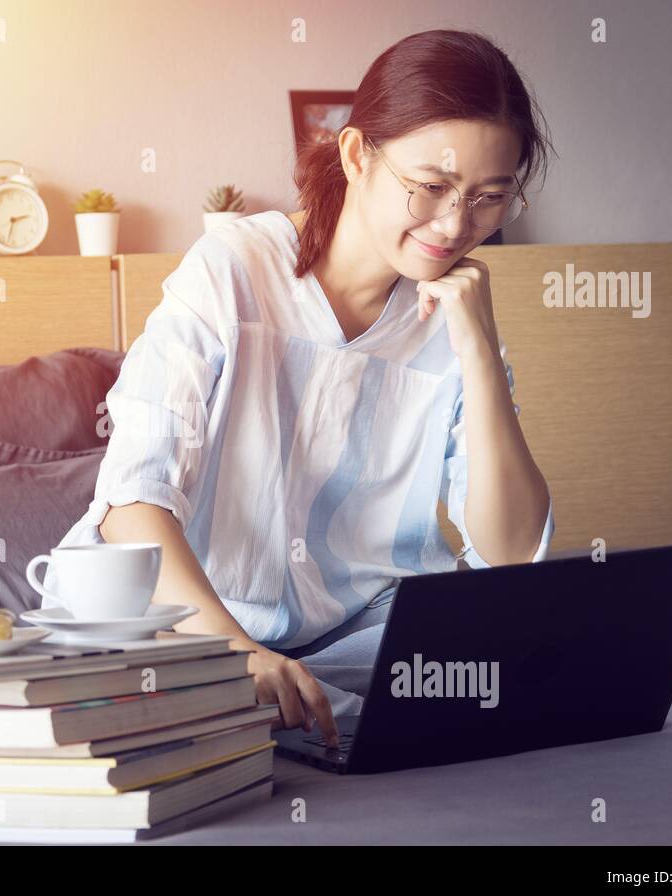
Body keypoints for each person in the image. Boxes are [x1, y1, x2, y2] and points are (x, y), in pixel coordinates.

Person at [48, 28, 557, 749]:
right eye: (431, 187)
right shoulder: (232, 270)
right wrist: (236, 653)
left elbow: (508, 556)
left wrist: (475, 348)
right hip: (181, 627)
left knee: (525, 672)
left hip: (354, 644)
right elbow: (134, 501)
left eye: (488, 197)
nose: (453, 225)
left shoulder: (458, 317)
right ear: (356, 155)